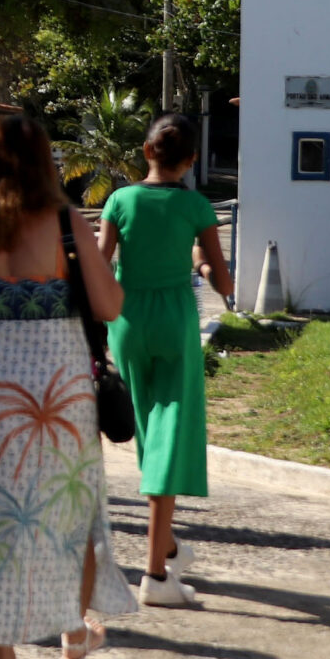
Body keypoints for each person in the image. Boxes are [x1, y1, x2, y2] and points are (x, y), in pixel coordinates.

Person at [0, 115, 134, 659]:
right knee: (74, 511)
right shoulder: (63, 222)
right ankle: (74, 632)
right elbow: (107, 306)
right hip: (59, 390)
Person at [98, 113, 234, 609]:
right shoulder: (197, 207)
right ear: (192, 160)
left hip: (128, 319)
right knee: (170, 439)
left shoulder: (120, 200)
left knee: (148, 431)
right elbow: (225, 284)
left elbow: (101, 263)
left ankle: (169, 546)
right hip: (175, 319)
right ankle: (155, 574)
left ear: (146, 150)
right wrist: (198, 260)